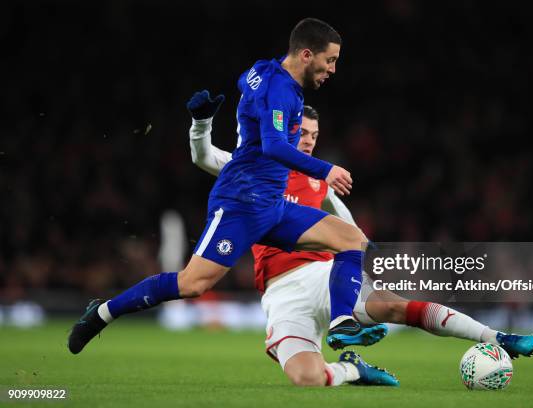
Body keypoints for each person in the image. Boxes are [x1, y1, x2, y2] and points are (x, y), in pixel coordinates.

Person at [68, 18, 385, 356]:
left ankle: (340, 322)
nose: (333, 69)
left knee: (353, 240)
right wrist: (327, 170)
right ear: (307, 55)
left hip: (272, 205)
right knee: (192, 284)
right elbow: (274, 147)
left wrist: (229, 113)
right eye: (330, 60)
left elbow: (244, 82)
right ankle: (102, 312)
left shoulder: (264, 70)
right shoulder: (281, 91)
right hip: (241, 202)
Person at [189, 102, 533, 386]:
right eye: (302, 133)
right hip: (280, 292)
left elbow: (354, 233)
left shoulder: (319, 185)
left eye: (314, 135)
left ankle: (499, 337)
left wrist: (370, 267)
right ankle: (353, 370)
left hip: (324, 274)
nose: (309, 141)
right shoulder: (251, 168)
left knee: (395, 307)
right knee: (306, 378)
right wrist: (201, 124)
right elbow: (204, 157)